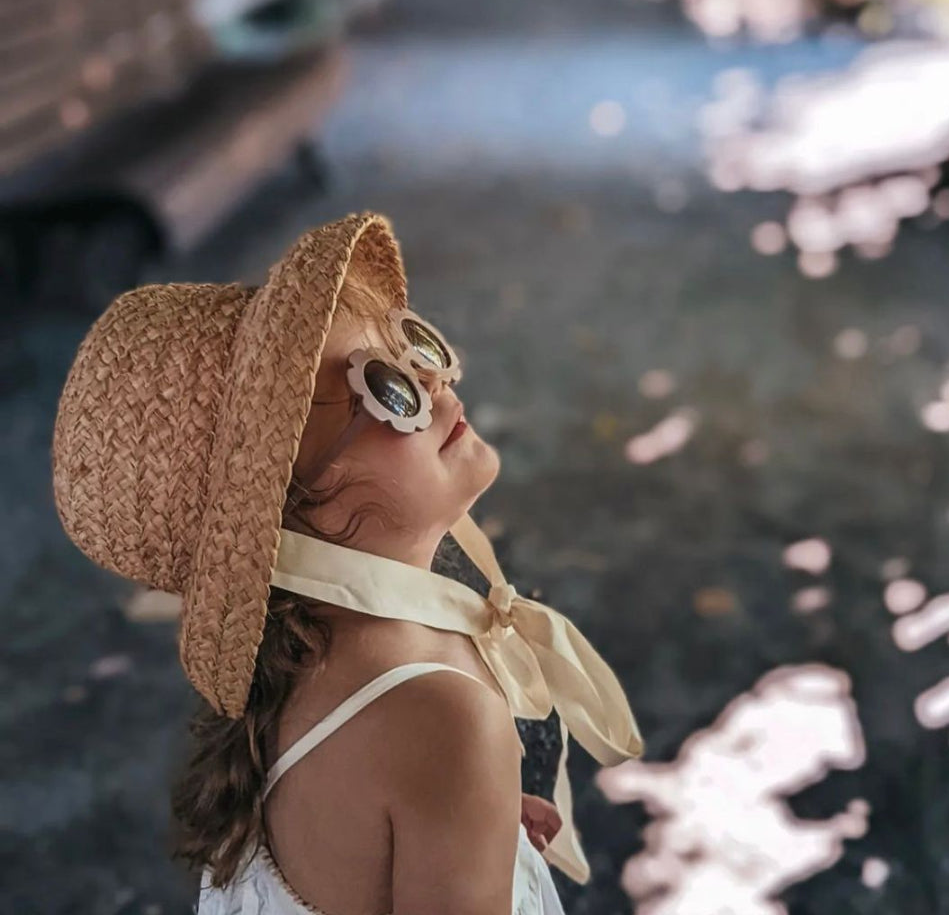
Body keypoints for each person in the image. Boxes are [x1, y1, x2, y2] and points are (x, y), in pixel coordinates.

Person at [51, 212, 644, 915]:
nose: (436, 382)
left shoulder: (301, 674)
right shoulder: (442, 715)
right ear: (302, 513)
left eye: (413, 346)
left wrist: (464, 823)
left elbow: (349, 826)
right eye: (388, 391)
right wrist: (463, 791)